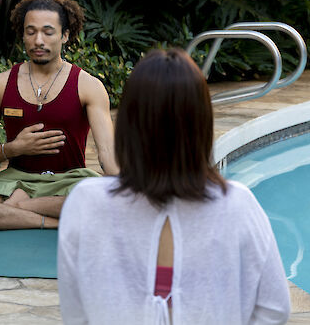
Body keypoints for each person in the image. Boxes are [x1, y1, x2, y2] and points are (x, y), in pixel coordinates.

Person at [58, 48, 290, 325]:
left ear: (129, 123)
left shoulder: (86, 203)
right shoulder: (237, 205)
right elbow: (274, 309)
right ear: (201, 124)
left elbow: (76, 314)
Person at [0, 0, 118, 230]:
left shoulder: (88, 86)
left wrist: (119, 189)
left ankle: (18, 209)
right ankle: (50, 221)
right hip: (15, 181)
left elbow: (107, 154)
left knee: (110, 200)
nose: (38, 40)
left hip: (70, 183)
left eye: (48, 32)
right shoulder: (0, 84)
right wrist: (13, 148)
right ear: (23, 35)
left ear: (65, 35)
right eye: (31, 32)